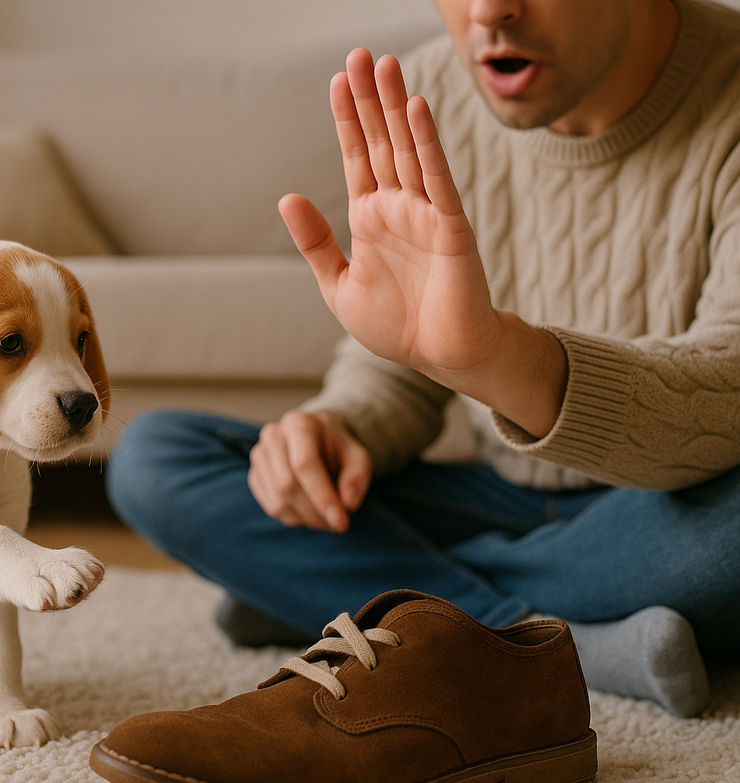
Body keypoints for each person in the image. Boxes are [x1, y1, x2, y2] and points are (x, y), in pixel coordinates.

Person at [106, 0, 740, 719]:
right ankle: (526, 635)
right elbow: (404, 350)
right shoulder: (431, 99)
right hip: (499, 498)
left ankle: (354, 599)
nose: (488, 10)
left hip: (673, 510)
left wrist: (499, 359)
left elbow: (729, 388)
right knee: (156, 458)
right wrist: (340, 428)